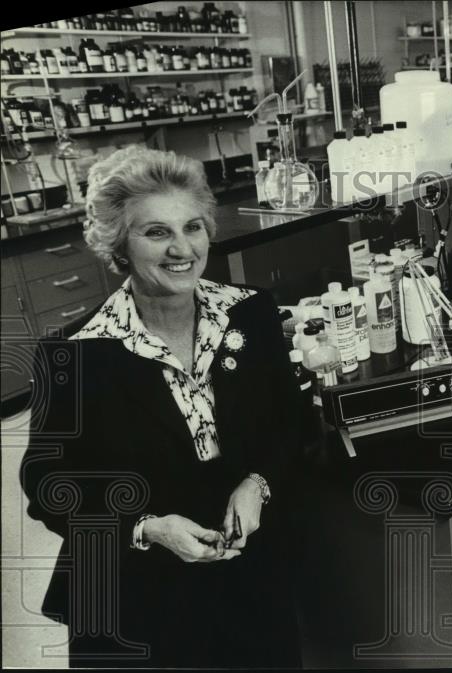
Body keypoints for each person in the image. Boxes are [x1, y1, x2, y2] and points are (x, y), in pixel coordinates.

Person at [20, 146, 302, 668]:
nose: (182, 249)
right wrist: (148, 526)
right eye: (157, 232)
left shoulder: (250, 313)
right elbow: (47, 484)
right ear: (118, 246)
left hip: (247, 565)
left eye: (192, 227)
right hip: (137, 588)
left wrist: (258, 484)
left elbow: (292, 423)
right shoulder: (75, 353)